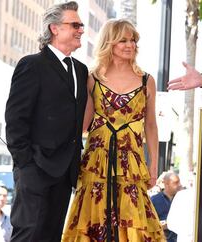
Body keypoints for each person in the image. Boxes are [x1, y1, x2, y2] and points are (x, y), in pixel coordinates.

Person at [62, 19, 164, 242]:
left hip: (131, 161)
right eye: (123, 40)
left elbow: (151, 125)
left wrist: (154, 166)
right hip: (97, 160)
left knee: (133, 217)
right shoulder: (93, 78)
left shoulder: (147, 80)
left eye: (133, 40)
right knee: (94, 214)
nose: (130, 45)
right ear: (110, 42)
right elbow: (84, 125)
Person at [4, 1, 88, 241]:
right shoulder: (32, 65)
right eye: (75, 25)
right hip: (36, 169)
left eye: (81, 25)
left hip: (65, 172)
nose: (81, 30)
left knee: (51, 236)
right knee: (28, 235)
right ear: (55, 28)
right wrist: (26, 165)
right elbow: (15, 118)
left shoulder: (81, 70)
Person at [151, 171, 183, 242]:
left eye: (179, 182)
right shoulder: (154, 200)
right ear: (166, 184)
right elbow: (149, 222)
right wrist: (162, 225)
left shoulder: (182, 200)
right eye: (175, 182)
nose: (179, 185)